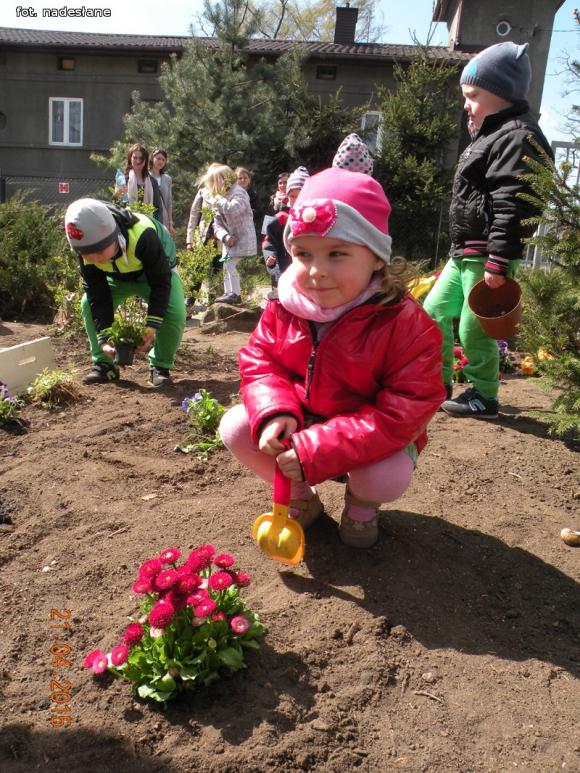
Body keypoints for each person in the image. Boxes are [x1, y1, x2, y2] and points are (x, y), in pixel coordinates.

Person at [219, 167, 445, 548]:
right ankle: (302, 500)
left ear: (376, 258)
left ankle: (361, 506)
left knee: (385, 474)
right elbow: (261, 361)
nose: (316, 271)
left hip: (368, 440)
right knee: (238, 427)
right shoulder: (286, 305)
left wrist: (316, 448)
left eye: (337, 254)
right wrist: (276, 411)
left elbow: (404, 411)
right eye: (303, 254)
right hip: (302, 421)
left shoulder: (405, 322)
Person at [423, 42, 553, 419]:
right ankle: (437, 381)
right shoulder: (488, 135)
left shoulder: (518, 136)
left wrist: (500, 258)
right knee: (431, 312)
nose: (466, 103)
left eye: (473, 96)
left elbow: (516, 201)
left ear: (502, 94)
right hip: (463, 253)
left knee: (473, 327)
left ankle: (484, 394)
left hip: (487, 255)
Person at [64, 198, 186, 387]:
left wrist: (152, 327)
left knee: (174, 313)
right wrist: (104, 339)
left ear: (113, 237)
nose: (95, 259)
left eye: (98, 251)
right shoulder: (87, 251)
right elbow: (98, 295)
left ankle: (160, 366)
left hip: (153, 274)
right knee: (87, 304)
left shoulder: (143, 235)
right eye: (87, 254)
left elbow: (161, 283)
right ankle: (105, 366)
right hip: (116, 276)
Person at [203, 164, 257, 305]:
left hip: (243, 238)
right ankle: (229, 292)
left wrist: (218, 200)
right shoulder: (221, 197)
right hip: (229, 242)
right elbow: (217, 223)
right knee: (226, 264)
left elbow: (233, 209)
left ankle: (235, 294)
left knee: (231, 264)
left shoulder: (239, 192)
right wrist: (225, 237)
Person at [262, 165, 309, 293]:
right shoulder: (281, 216)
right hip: (284, 268)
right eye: (293, 196)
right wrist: (270, 258)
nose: (297, 200)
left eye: (301, 195)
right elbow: (269, 240)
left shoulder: (316, 217)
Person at [114, 143, 165, 223]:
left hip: (148, 223)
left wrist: (158, 226)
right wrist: (117, 194)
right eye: (135, 158)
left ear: (145, 160)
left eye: (141, 158)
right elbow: (116, 205)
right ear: (130, 158)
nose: (138, 161)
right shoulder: (123, 179)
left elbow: (158, 209)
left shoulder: (152, 182)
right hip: (127, 223)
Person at [149, 147, 174, 236]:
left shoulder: (167, 179)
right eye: (158, 158)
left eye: (163, 160)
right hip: (150, 215)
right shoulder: (146, 176)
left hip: (164, 218)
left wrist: (170, 222)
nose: (161, 161)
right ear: (152, 158)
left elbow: (169, 202)